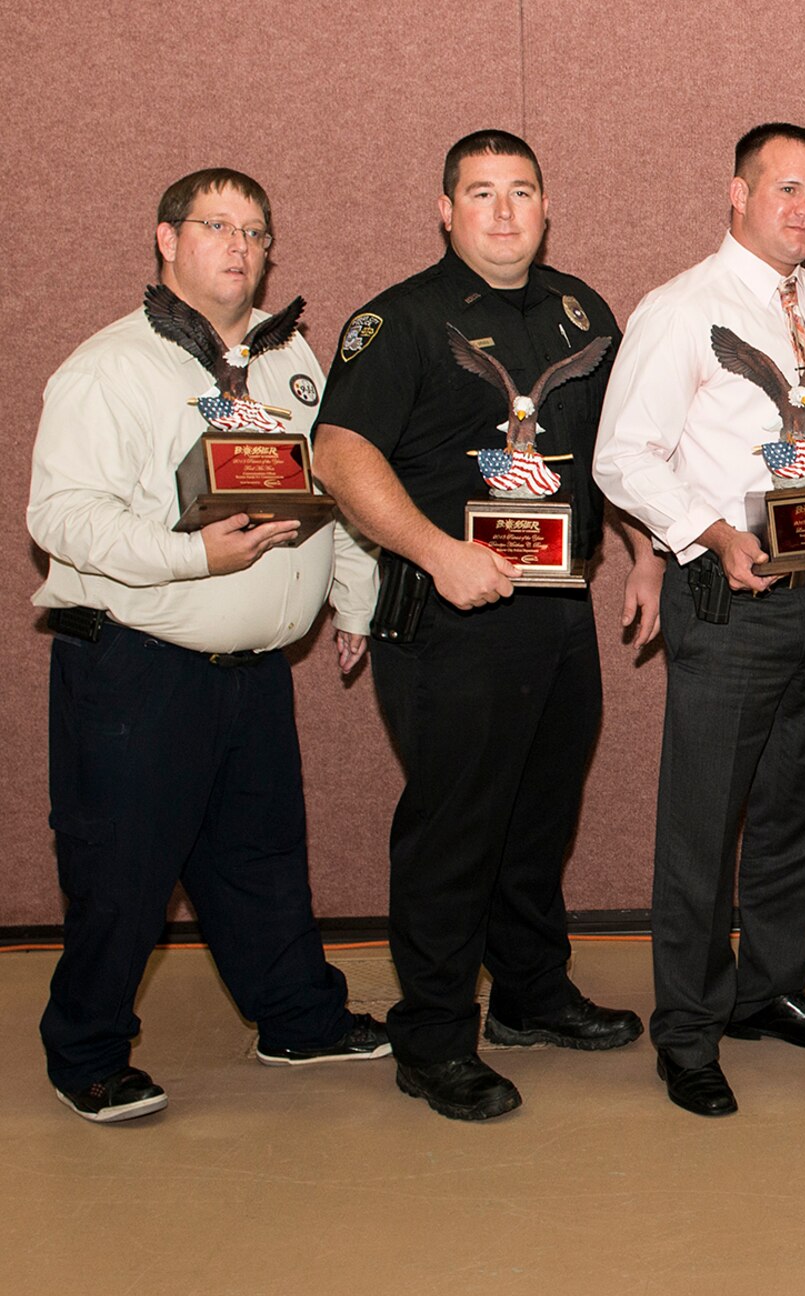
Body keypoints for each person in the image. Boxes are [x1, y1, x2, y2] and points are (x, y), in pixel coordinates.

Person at [27, 167, 390, 1123]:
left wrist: (352, 601)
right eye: (217, 224)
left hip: (256, 670)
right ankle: (88, 1051)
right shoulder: (108, 367)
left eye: (256, 230)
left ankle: (296, 1019)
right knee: (121, 871)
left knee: (263, 857)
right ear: (166, 238)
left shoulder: (292, 358)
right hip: (137, 669)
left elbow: (337, 489)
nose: (239, 245)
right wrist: (190, 556)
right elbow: (59, 516)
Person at [313, 131, 646, 1122]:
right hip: (448, 619)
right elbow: (337, 455)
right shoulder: (400, 319)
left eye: (522, 192)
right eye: (481, 194)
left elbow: (607, 453)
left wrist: (648, 552)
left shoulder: (581, 309)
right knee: (454, 832)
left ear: (546, 206)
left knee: (538, 818)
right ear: (446, 211)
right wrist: (431, 550)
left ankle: (532, 998)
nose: (504, 213)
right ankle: (431, 1037)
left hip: (554, 612)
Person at [593, 122, 805, 1118]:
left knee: (801, 816)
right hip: (732, 603)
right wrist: (705, 533)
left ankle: (771, 992)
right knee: (704, 832)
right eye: (785, 187)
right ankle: (687, 1032)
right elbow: (622, 456)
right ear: (736, 194)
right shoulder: (679, 310)